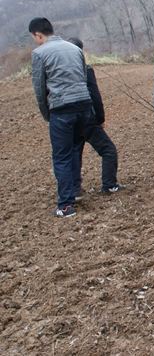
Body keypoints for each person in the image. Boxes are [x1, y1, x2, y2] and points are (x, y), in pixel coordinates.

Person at [30, 17, 92, 218]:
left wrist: (47, 114)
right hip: (83, 106)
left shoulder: (39, 53)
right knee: (73, 148)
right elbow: (82, 77)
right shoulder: (74, 48)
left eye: (34, 37)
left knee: (61, 156)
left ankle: (65, 205)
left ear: (38, 34)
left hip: (62, 108)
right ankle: (76, 190)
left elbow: (40, 88)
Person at [67, 37, 124, 196]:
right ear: (81, 51)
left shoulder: (60, 72)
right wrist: (100, 119)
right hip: (87, 118)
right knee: (108, 150)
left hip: (68, 118)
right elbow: (94, 96)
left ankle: (75, 189)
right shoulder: (85, 70)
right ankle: (109, 184)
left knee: (75, 153)